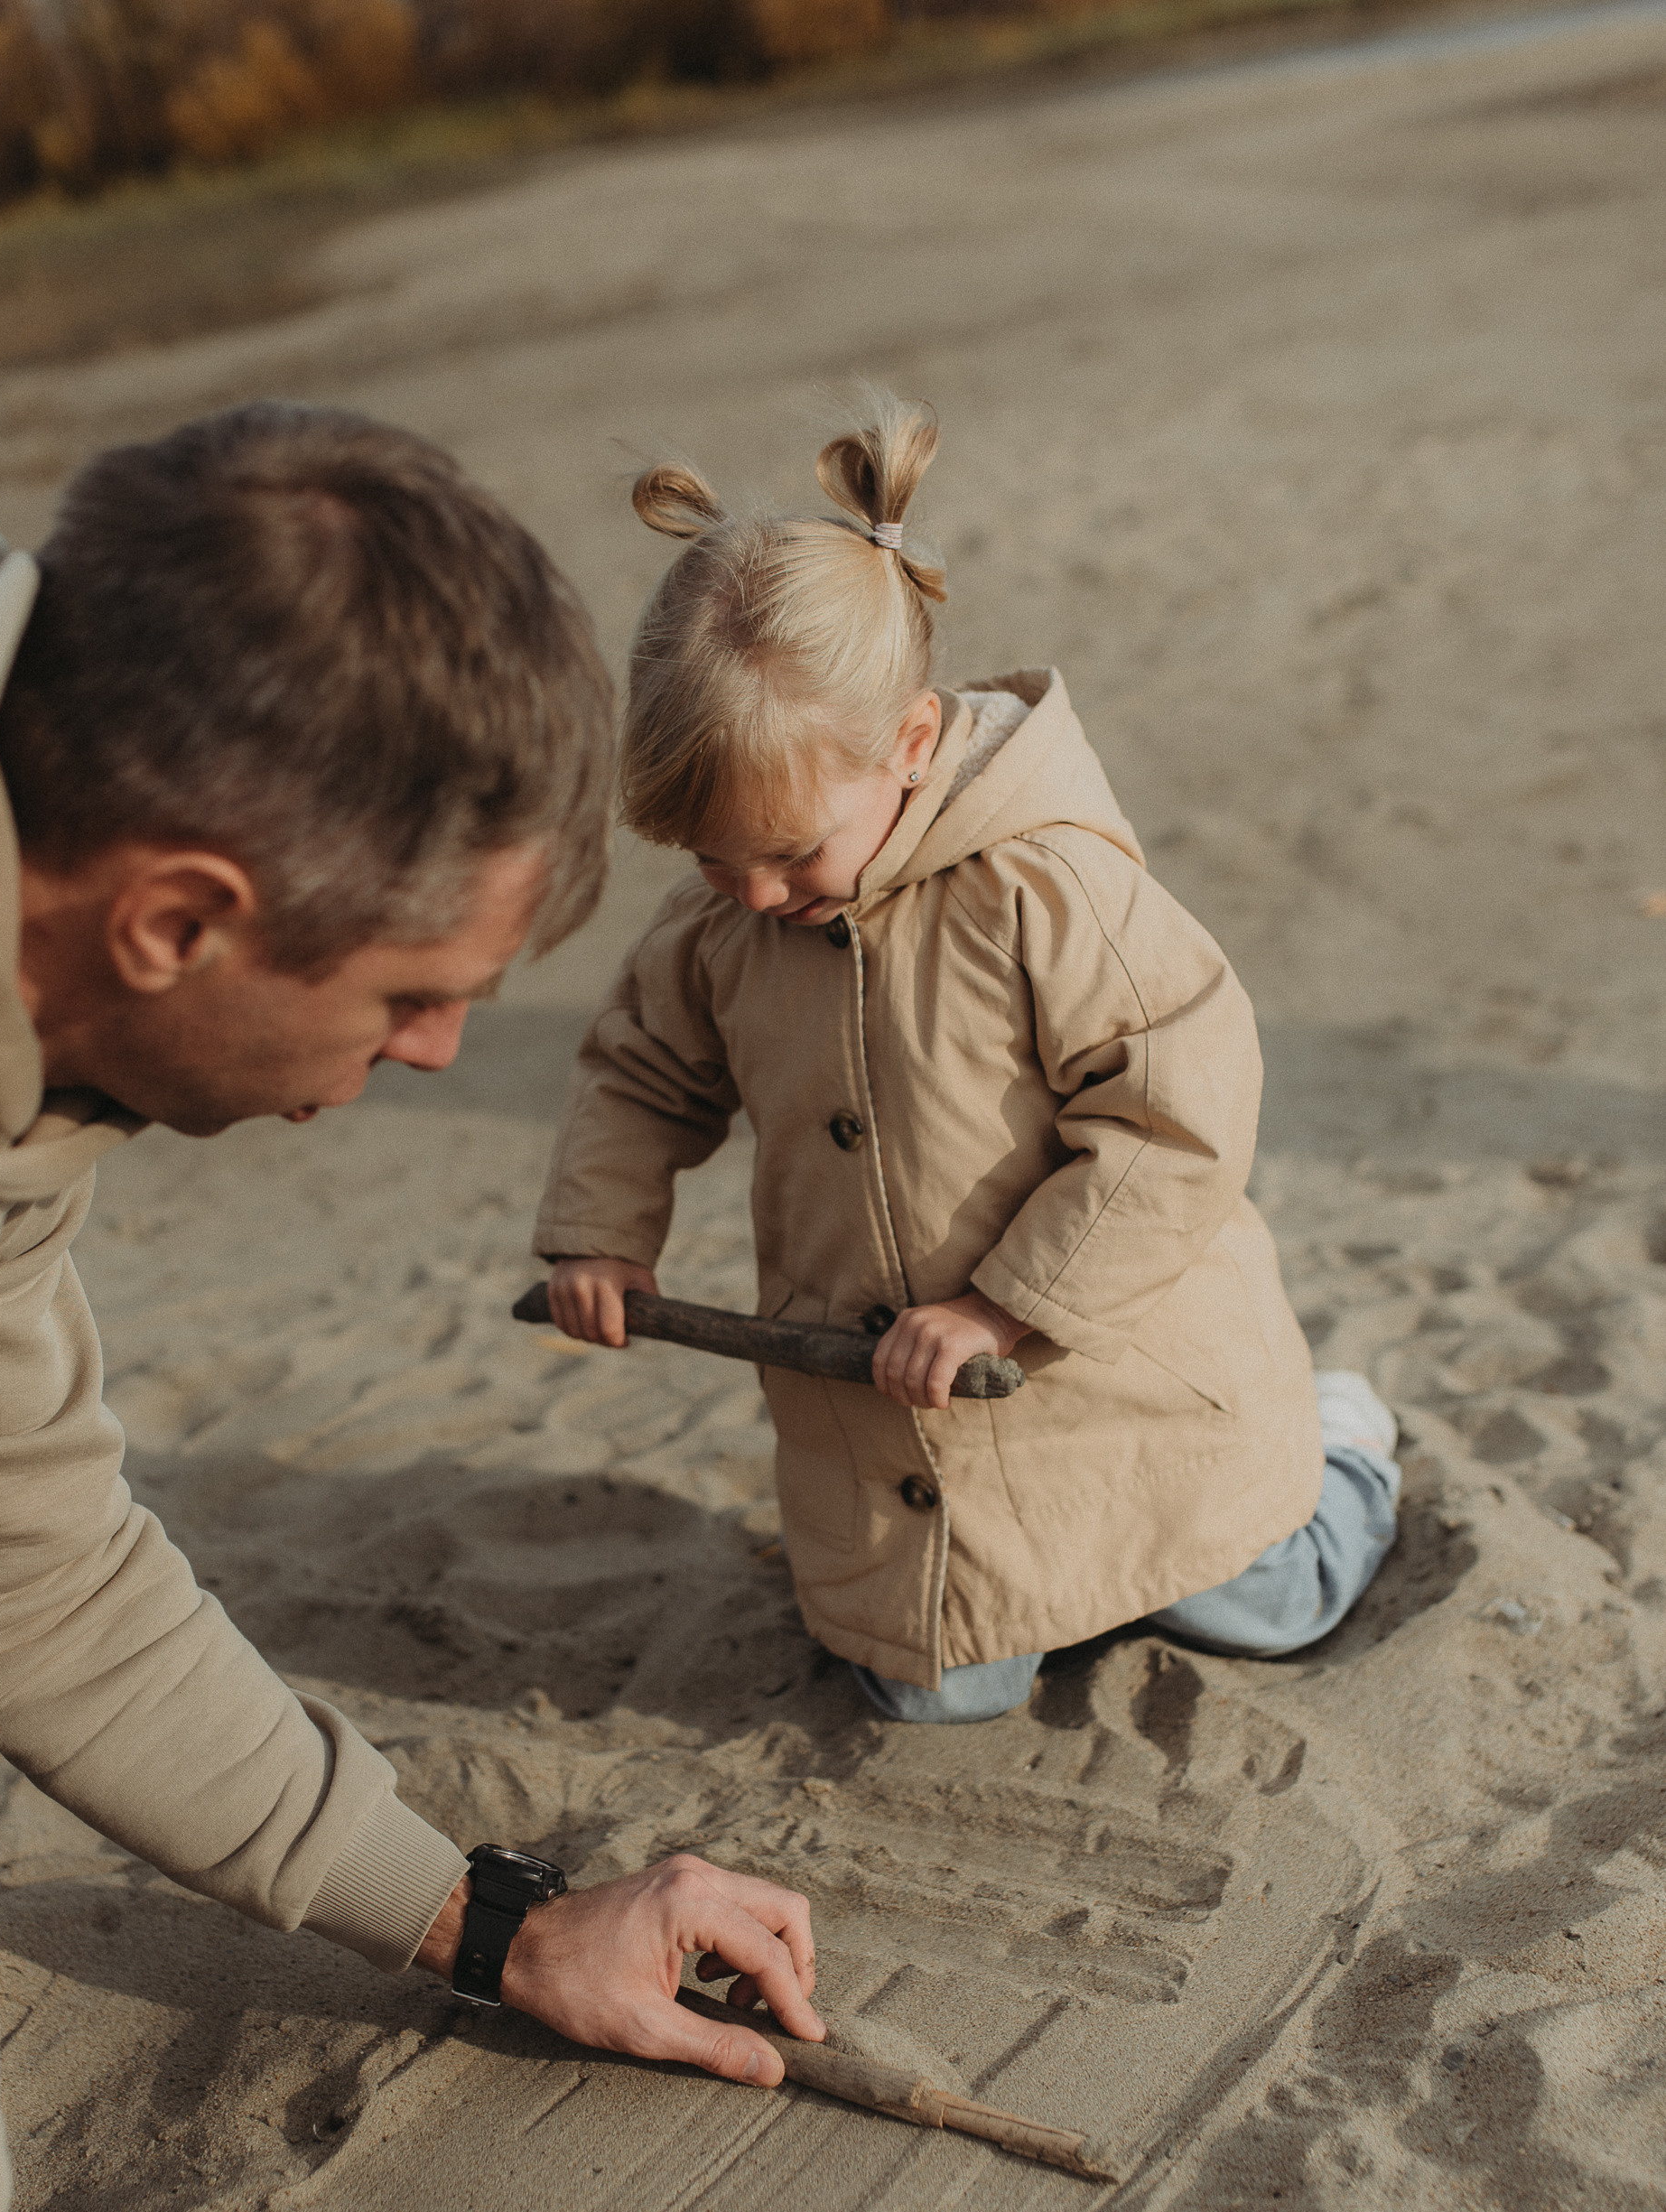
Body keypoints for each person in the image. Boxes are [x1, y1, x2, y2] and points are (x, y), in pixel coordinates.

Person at [0, 403, 823, 2212]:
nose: (438, 1056)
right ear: (178, 911)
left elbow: (34, 1567)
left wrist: (494, 1924)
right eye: (406, 995)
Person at [536, 392, 1403, 1724]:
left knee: (1270, 1604)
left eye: (787, 852)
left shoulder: (1041, 890)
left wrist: (1005, 1306)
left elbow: (1179, 1119)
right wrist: (601, 1233)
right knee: (931, 1696)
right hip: (899, 1428)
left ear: (914, 747)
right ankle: (1013, 1606)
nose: (754, 893)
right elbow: (640, 1074)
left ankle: (1343, 1439)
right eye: (715, 857)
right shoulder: (717, 926)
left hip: (1107, 1370)